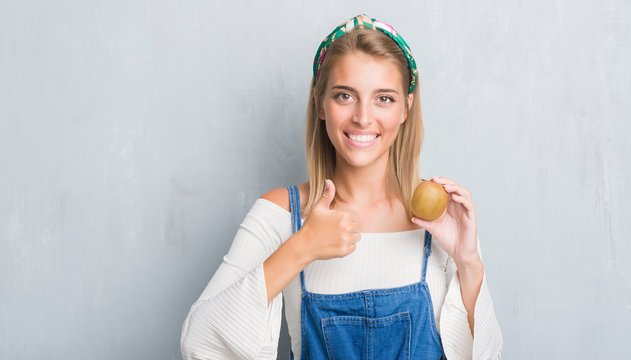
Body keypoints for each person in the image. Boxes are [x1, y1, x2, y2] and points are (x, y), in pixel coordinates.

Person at [181, 14, 502, 359]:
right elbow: (199, 341)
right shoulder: (281, 213)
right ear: (320, 102)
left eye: (384, 98)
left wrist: (467, 261)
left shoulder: (440, 220)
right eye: (345, 96)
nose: (363, 117)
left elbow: (488, 354)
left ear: (406, 108)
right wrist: (301, 248)